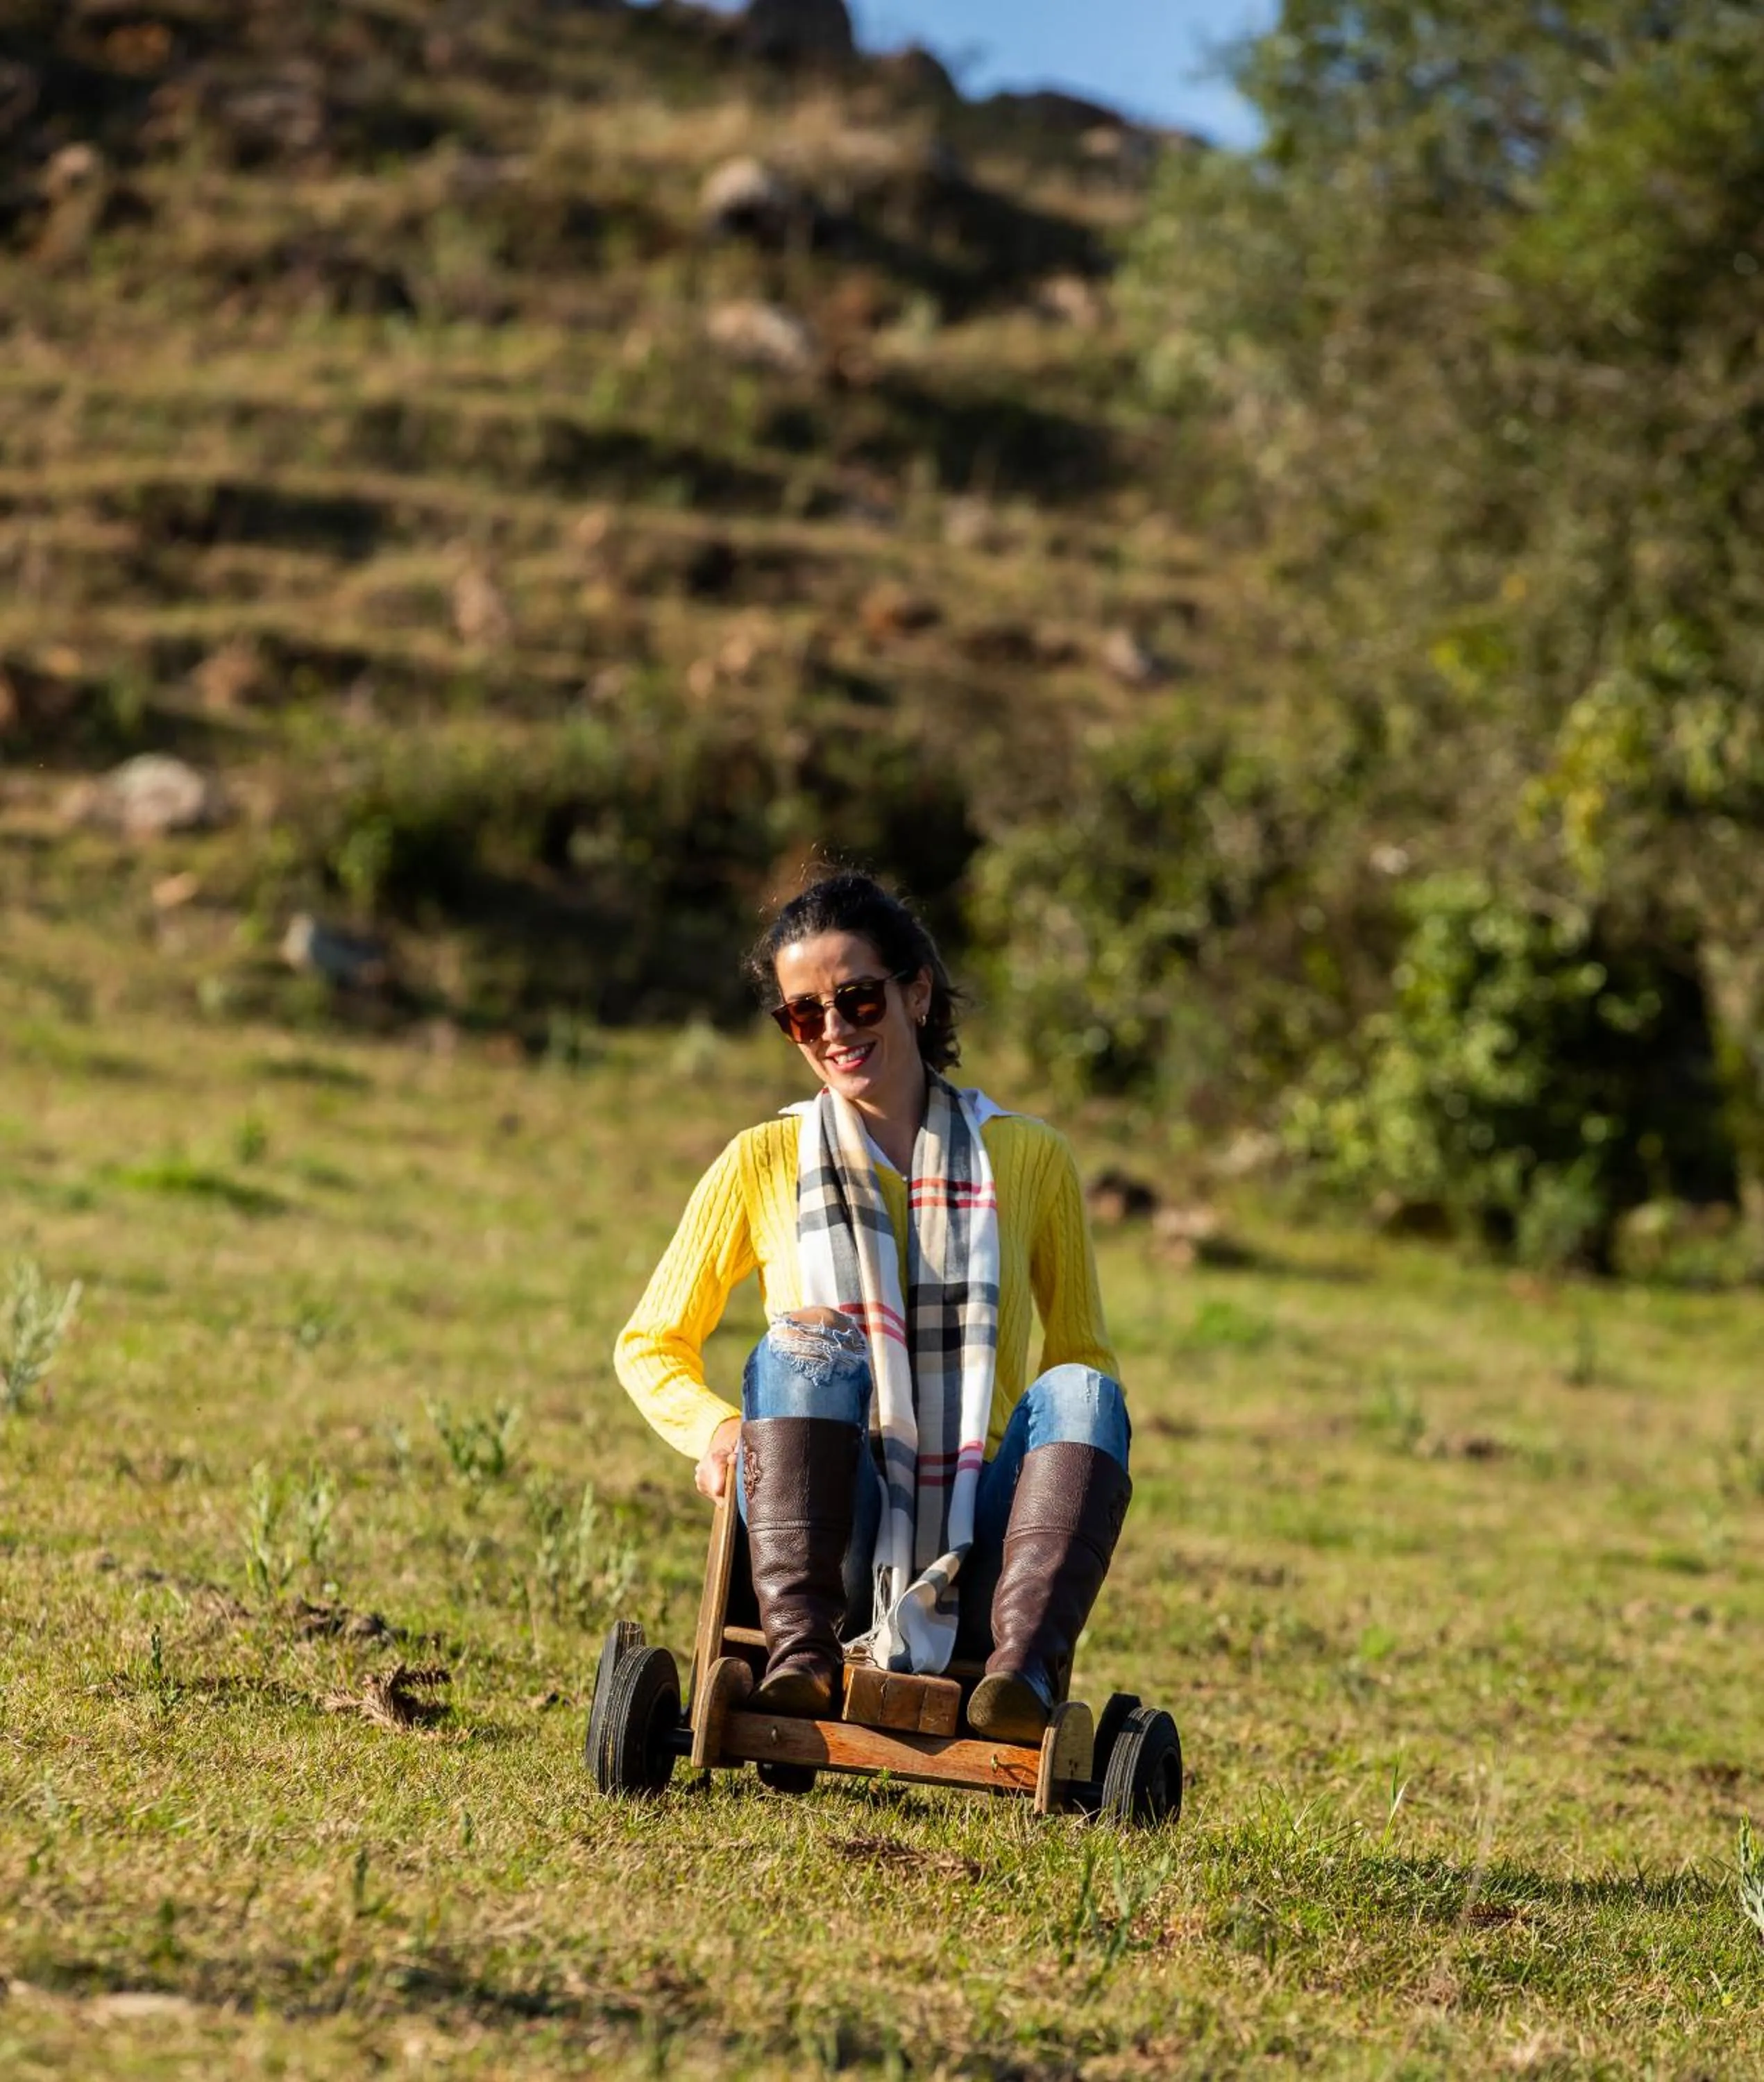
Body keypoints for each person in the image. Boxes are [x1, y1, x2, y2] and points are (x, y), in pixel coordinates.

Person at [614, 870, 1131, 1745]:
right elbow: (649, 1342)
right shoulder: (762, 1158)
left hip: (984, 1546)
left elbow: (1081, 1351)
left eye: (855, 1000)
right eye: (802, 1015)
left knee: (1086, 1387)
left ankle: (1020, 1671)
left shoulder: (1032, 1159)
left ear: (916, 993)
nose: (832, 1032)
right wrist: (711, 1430)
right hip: (823, 1532)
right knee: (803, 1347)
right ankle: (803, 1656)